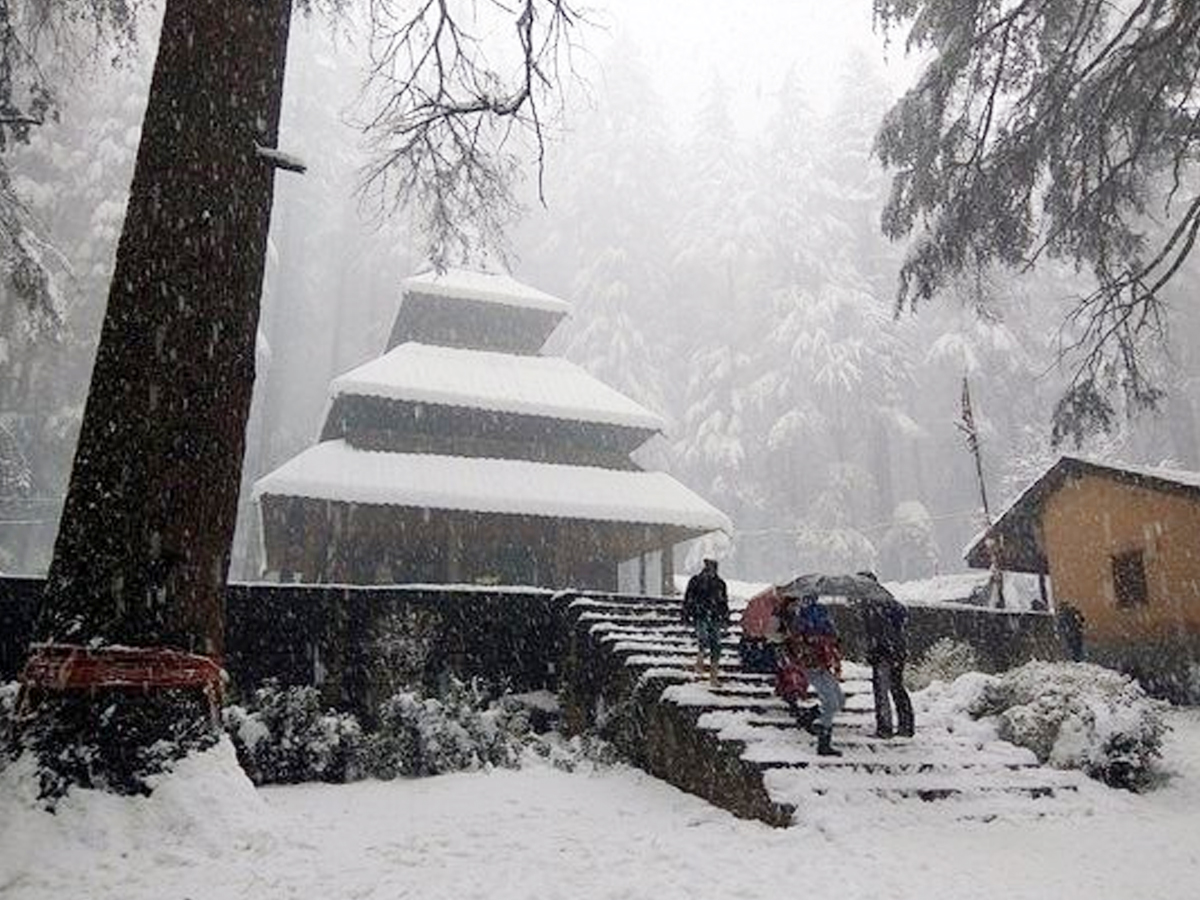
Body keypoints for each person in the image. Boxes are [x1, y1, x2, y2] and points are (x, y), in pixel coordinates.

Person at [785, 593, 844, 757]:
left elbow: (832, 635)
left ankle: (808, 717)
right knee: (831, 704)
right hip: (813, 665)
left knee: (839, 701)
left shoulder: (814, 613)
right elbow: (799, 640)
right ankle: (823, 744)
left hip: (822, 663)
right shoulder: (803, 616)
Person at [857, 576, 915, 740]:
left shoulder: (872, 604)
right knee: (897, 688)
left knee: (881, 690)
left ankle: (885, 728)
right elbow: (901, 617)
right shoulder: (886, 599)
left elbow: (876, 631)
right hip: (897, 651)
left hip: (884, 652)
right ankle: (906, 726)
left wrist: (875, 650)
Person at [680, 558, 729, 687]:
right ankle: (702, 664)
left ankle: (713, 675)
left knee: (715, 645)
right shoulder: (697, 581)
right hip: (702, 614)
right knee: (705, 639)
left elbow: (724, 602)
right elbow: (688, 598)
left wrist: (725, 619)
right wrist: (686, 614)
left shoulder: (719, 583)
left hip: (712, 615)